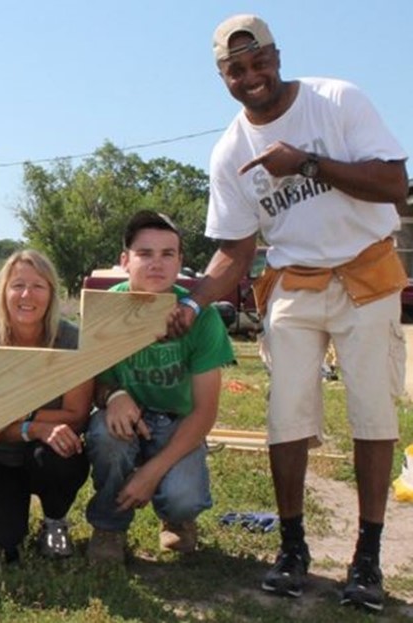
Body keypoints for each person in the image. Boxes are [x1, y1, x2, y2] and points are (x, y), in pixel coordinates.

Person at [169, 14, 408, 611]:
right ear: (222, 76)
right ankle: (293, 548)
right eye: (236, 70)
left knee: (372, 414)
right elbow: (235, 250)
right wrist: (193, 301)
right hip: (295, 287)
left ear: (277, 56)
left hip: (366, 275)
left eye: (259, 62)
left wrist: (307, 163)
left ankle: (368, 557)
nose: (252, 77)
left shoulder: (336, 100)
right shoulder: (229, 152)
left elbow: (395, 185)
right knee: (285, 416)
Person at [85, 211, 233, 562]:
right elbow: (90, 380)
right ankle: (108, 528)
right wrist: (114, 395)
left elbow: (205, 411)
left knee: (186, 497)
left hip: (178, 422)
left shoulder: (201, 316)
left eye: (168, 254)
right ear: (125, 261)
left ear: (180, 261)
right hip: (125, 418)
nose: (157, 264)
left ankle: (176, 520)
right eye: (145, 254)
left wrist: (151, 473)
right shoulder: (105, 309)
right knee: (106, 437)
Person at [0, 250, 93, 562]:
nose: (27, 294)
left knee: (63, 451)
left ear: (51, 293)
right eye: (17, 285)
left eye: (38, 286)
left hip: (45, 453)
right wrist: (32, 427)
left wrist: (17, 416)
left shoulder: (71, 339)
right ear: (3, 292)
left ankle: (54, 521)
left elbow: (76, 416)